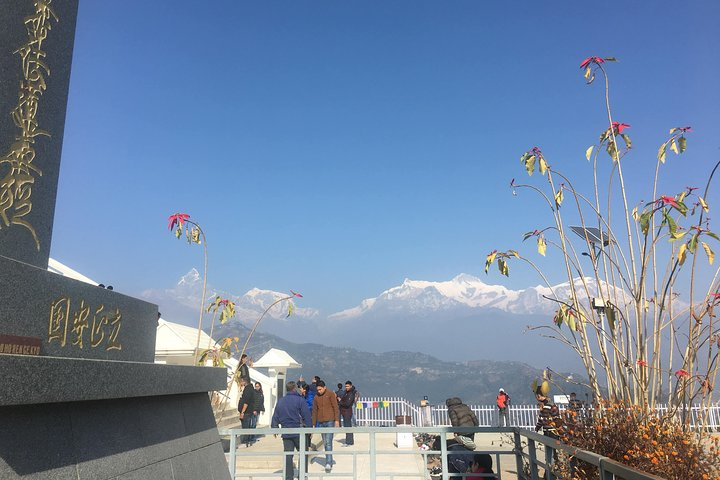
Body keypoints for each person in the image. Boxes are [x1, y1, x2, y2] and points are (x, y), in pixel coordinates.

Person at [271, 381, 312, 480]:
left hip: (286, 433)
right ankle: (302, 475)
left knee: (288, 456)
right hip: (299, 433)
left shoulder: (281, 401)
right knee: (303, 454)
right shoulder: (300, 400)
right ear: (294, 389)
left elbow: (275, 416)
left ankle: (288, 477)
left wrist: (275, 427)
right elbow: (306, 416)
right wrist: (309, 430)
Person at [312, 380, 340, 473]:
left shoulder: (331, 394)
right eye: (317, 390)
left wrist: (337, 420)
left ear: (324, 387)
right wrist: (313, 423)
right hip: (321, 422)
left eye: (320, 389)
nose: (319, 391)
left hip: (330, 421)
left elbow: (335, 407)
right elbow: (315, 411)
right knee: (325, 442)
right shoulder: (316, 397)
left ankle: (328, 463)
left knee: (328, 442)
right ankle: (329, 458)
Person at [338, 380, 359, 446]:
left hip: (347, 412)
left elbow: (347, 403)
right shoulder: (346, 392)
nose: (346, 387)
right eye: (346, 386)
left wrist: (340, 401)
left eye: (348, 386)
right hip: (344, 412)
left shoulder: (351, 393)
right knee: (346, 426)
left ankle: (349, 441)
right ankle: (348, 441)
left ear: (351, 386)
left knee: (348, 426)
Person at [237, 377, 255, 446]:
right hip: (248, 412)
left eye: (241, 382)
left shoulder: (248, 389)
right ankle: (247, 441)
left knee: (245, 427)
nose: (240, 384)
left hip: (246, 412)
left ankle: (246, 441)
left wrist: (242, 412)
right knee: (247, 426)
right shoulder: (249, 388)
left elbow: (246, 402)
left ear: (243, 381)